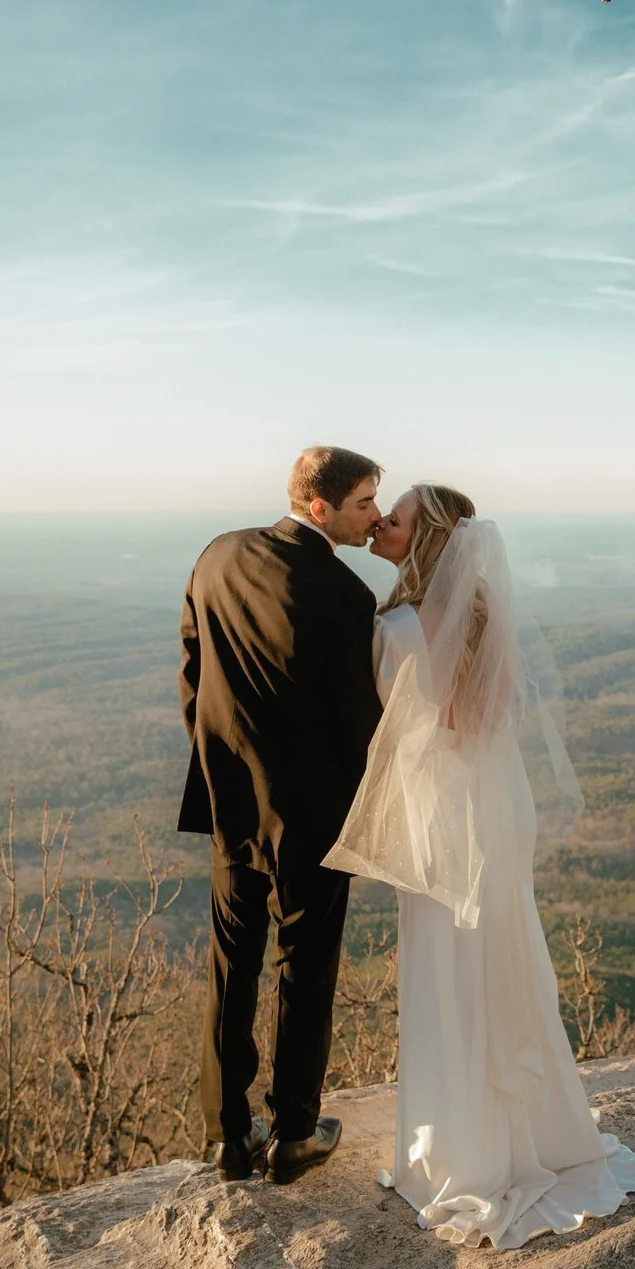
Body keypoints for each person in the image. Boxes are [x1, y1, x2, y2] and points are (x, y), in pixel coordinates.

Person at [325, 483, 635, 1247]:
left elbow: (384, 729)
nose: (381, 524)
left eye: (396, 519)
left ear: (426, 538)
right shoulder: (484, 614)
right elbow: (483, 721)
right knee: (501, 957)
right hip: (495, 814)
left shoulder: (401, 626)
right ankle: (526, 1130)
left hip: (442, 822)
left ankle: (460, 1153)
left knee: (449, 968)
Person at [178, 445, 384, 1183]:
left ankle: (225, 1135)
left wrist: (219, 761)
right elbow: (361, 723)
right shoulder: (345, 594)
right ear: (321, 505)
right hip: (313, 815)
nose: (377, 516)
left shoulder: (217, 556)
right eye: (365, 502)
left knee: (231, 961)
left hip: (231, 799)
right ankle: (295, 1131)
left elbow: (192, 671)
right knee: (305, 965)